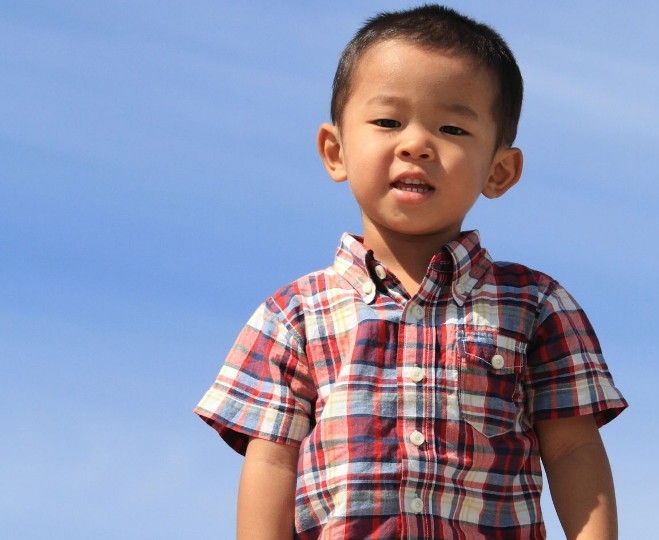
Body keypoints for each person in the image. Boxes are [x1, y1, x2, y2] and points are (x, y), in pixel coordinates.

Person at [194, 5, 628, 538]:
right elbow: (271, 464)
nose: (416, 143)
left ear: (499, 171)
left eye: (451, 127)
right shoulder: (293, 316)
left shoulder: (534, 305)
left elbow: (574, 448)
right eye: (387, 121)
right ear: (335, 151)